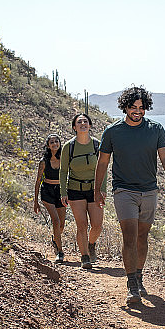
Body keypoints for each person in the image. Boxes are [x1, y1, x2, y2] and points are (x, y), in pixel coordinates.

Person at [95, 86, 165, 304]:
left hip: (149, 190)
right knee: (129, 235)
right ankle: (131, 283)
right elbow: (103, 162)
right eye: (133, 107)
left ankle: (139, 275)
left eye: (141, 107)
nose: (137, 111)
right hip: (123, 190)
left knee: (142, 236)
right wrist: (98, 189)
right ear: (125, 106)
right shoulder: (113, 132)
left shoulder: (156, 129)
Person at [60, 113, 106, 270]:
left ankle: (91, 244)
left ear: (90, 125)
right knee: (82, 224)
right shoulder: (69, 147)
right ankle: (85, 256)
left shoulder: (97, 145)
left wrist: (102, 189)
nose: (83, 124)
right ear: (74, 127)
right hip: (75, 190)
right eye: (79, 122)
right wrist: (63, 192)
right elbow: (63, 170)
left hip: (94, 190)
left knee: (97, 225)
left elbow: (103, 168)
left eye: (85, 121)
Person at [33, 134, 66, 262]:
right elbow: (38, 181)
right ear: (48, 145)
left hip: (61, 192)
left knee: (61, 225)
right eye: (52, 142)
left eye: (56, 141)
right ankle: (60, 251)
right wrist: (35, 202)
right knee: (56, 221)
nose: (54, 144)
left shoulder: (64, 159)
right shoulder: (43, 161)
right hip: (47, 192)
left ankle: (55, 239)